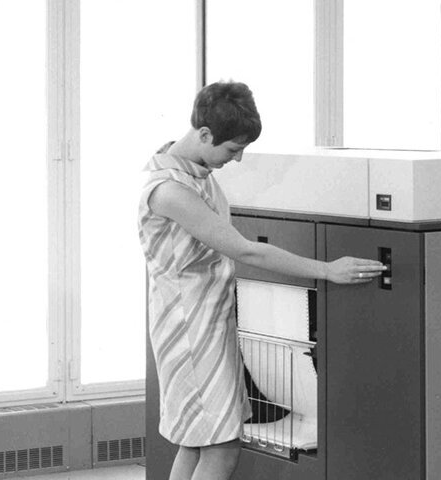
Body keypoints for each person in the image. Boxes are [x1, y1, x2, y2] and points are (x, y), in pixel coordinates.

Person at [138, 81, 387, 480]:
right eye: (232, 149)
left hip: (203, 322)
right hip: (189, 331)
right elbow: (247, 251)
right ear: (203, 134)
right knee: (220, 449)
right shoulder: (170, 190)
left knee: (195, 440)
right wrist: (328, 269)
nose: (236, 160)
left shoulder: (188, 169)